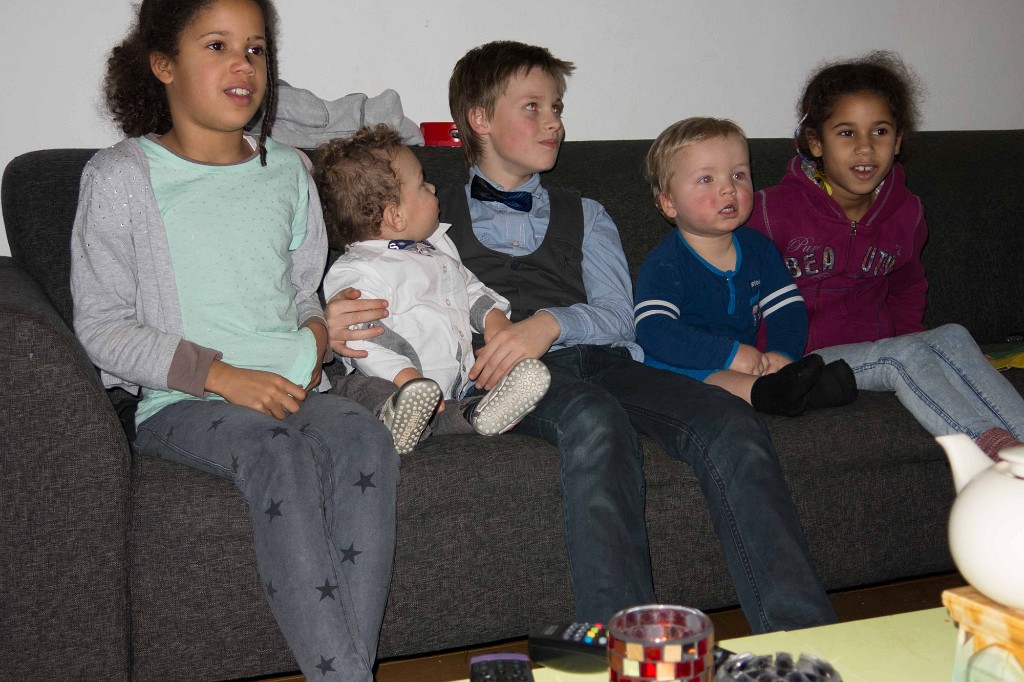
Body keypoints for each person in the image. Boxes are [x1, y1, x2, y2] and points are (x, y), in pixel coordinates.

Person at [327, 40, 837, 633]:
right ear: (479, 119)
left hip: (609, 360)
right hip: (512, 382)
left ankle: (804, 636)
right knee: (595, 419)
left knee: (732, 421)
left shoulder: (588, 212)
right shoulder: (425, 219)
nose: (555, 123)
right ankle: (627, 647)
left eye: (558, 107)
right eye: (534, 107)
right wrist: (335, 320)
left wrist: (549, 323)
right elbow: (373, 282)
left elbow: (621, 315)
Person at [70, 0, 398, 679]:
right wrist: (220, 376)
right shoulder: (120, 178)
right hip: (183, 404)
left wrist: (317, 335)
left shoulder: (289, 171)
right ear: (163, 64)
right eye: (217, 46)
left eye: (255, 49)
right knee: (277, 451)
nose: (243, 64)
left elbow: (301, 293)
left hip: (294, 385)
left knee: (365, 438)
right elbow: (101, 325)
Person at [747, 50, 1024, 460]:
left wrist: (933, 354)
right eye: (846, 133)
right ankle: (994, 452)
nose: (865, 148)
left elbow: (908, 288)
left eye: (879, 131)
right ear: (815, 142)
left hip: (878, 348)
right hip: (805, 362)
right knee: (903, 353)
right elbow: (734, 287)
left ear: (898, 141)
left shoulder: (906, 212)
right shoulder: (770, 212)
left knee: (951, 335)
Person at [314, 125, 551, 454]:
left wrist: (494, 319)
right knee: (363, 390)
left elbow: (469, 289)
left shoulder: (437, 249)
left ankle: (479, 413)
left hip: (449, 387)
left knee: (461, 401)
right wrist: (404, 376)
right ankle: (391, 419)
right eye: (423, 184)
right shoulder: (358, 269)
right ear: (396, 216)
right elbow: (362, 336)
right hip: (390, 381)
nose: (433, 187)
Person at [635, 117, 857, 416]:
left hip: (740, 364)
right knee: (717, 381)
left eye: (738, 175)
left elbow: (787, 309)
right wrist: (728, 354)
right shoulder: (665, 263)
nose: (729, 188)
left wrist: (782, 353)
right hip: (671, 367)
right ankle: (780, 393)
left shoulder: (758, 249)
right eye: (706, 179)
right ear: (669, 203)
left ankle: (787, 388)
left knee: (749, 374)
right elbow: (653, 330)